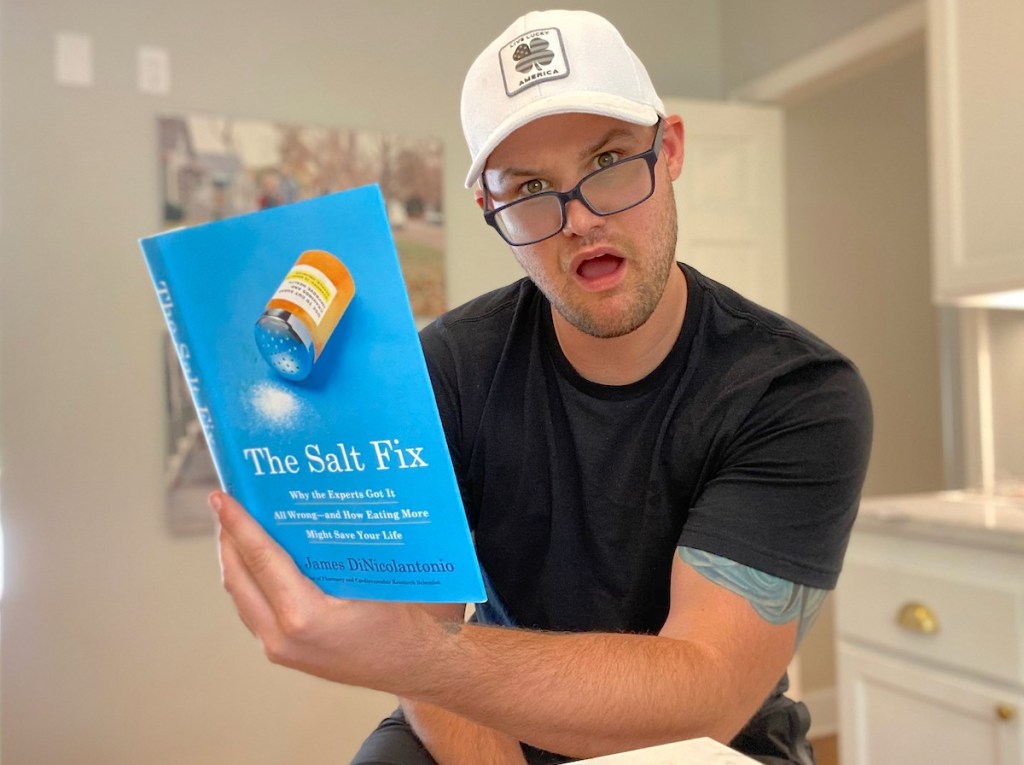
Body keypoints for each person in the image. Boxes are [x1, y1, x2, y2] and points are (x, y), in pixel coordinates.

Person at [211, 9, 872, 765]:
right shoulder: (449, 369)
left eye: (610, 160)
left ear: (673, 149)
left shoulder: (793, 391)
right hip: (487, 709)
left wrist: (417, 655)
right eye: (530, 187)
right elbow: (420, 632)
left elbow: (705, 692)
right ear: (491, 210)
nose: (581, 218)